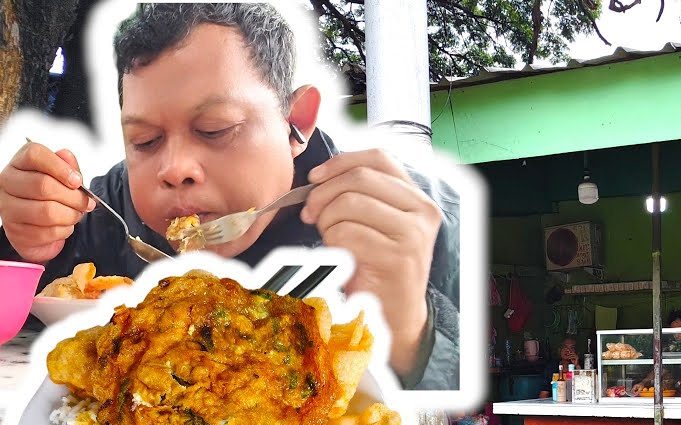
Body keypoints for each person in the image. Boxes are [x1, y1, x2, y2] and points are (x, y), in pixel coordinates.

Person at [0, 3, 460, 391]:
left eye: (214, 129)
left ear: (296, 122)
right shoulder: (101, 209)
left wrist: (411, 339)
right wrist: (23, 253)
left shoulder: (416, 219)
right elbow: (30, 342)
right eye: (145, 141)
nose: (174, 169)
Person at [632, 309, 681, 395]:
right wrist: (643, 383)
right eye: (673, 332)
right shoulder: (673, 348)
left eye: (678, 331)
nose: (676, 335)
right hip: (679, 392)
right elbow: (661, 369)